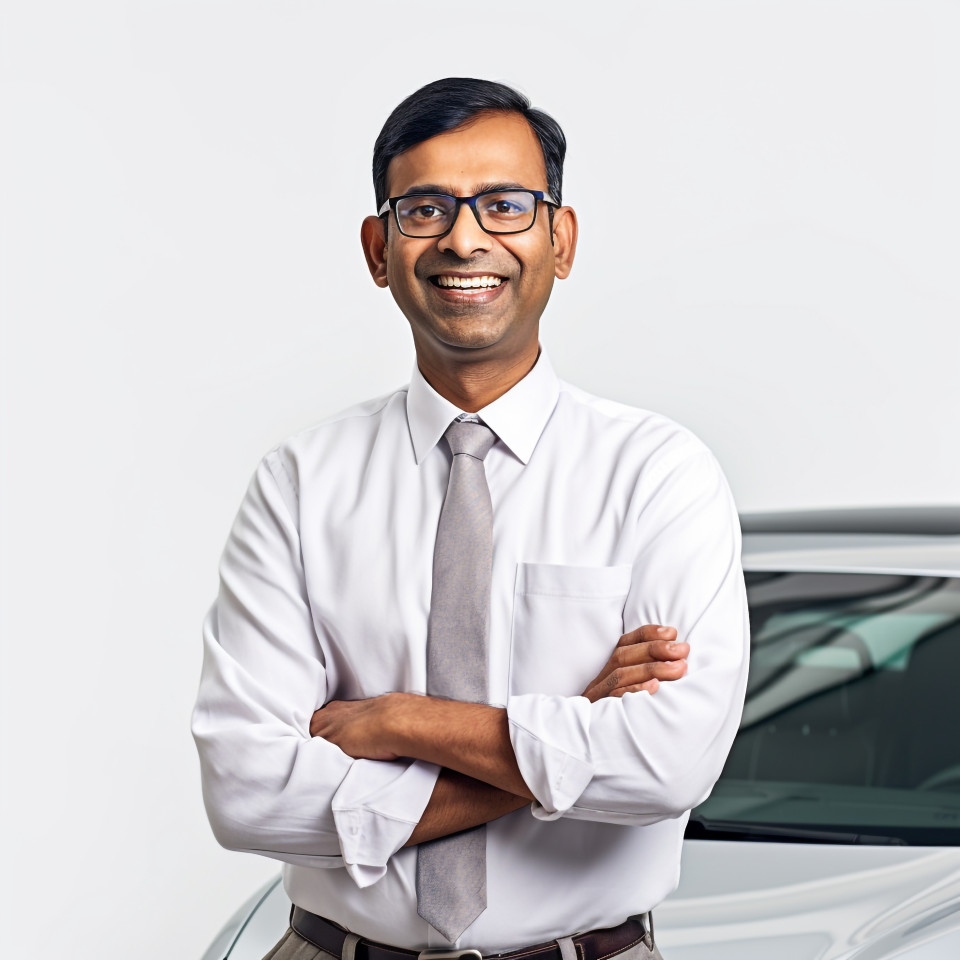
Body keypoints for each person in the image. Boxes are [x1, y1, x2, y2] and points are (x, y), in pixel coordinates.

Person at [192, 78, 749, 960]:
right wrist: (573, 727)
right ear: (379, 250)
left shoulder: (658, 475)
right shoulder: (299, 484)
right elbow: (247, 792)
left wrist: (401, 721)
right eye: (425, 209)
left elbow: (668, 763)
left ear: (560, 240)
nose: (463, 238)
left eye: (504, 204)